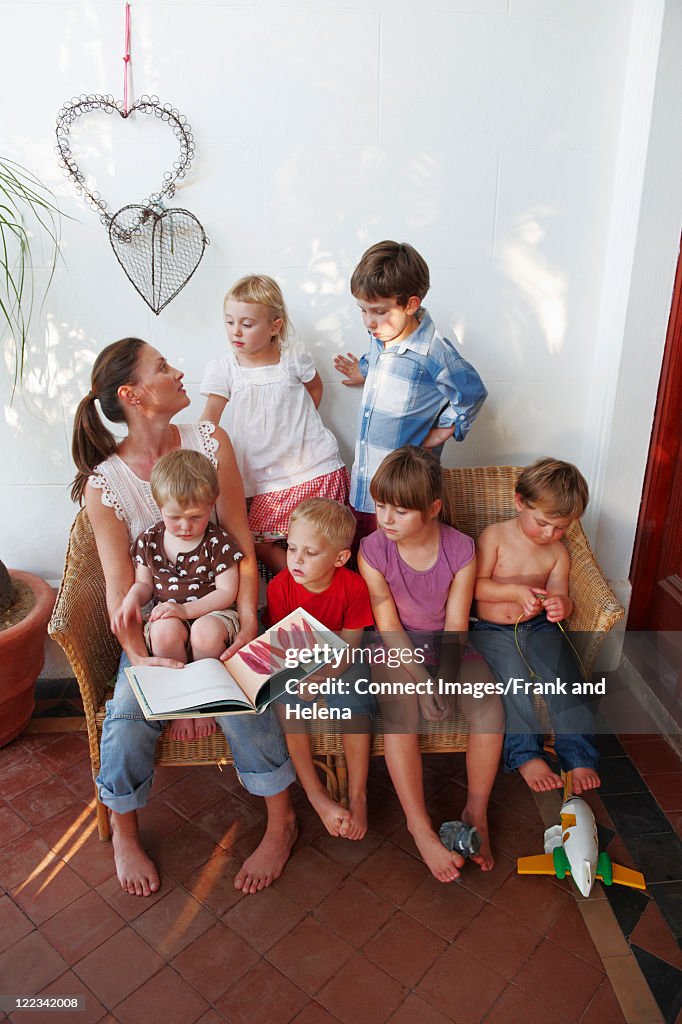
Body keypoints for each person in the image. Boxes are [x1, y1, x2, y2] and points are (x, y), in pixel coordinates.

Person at [71, 337, 297, 899]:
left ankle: (281, 822)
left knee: (248, 696)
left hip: (222, 614)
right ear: (134, 395)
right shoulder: (105, 487)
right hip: (156, 633)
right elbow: (123, 596)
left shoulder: (208, 441)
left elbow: (240, 545)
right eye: (162, 368)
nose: (178, 371)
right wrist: (151, 668)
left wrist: (247, 621)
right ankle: (124, 831)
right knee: (125, 713)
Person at [358, 447, 503, 882]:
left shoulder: (460, 549)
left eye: (400, 511)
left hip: (448, 643)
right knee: (400, 713)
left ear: (433, 508)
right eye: (381, 505)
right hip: (395, 645)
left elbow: (457, 623)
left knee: (489, 707)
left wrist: (445, 678)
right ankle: (419, 827)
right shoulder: (372, 550)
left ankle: (476, 812)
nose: (386, 519)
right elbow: (387, 624)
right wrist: (422, 682)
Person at [334, 240, 487, 548]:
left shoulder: (433, 352)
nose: (369, 322)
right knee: (364, 552)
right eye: (363, 310)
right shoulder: (383, 333)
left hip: (402, 493)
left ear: (411, 304)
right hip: (367, 479)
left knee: (397, 558)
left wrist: (444, 430)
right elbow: (381, 357)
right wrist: (364, 370)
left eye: (378, 312)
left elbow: (472, 391)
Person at [200, 274, 349, 573]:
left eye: (247, 323)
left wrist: (297, 427)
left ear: (274, 326)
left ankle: (326, 589)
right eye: (230, 322)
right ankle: (298, 585)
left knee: (324, 540)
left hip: (315, 466)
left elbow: (315, 389)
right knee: (255, 540)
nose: (235, 332)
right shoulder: (224, 368)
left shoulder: (292, 357)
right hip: (260, 477)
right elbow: (209, 422)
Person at [471, 457, 601, 795]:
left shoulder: (558, 553)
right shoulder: (495, 536)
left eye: (561, 527)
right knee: (512, 678)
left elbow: (560, 596)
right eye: (542, 523)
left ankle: (578, 754)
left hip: (538, 626)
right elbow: (475, 587)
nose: (550, 534)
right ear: (519, 502)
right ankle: (526, 754)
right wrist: (514, 591)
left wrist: (561, 605)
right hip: (491, 630)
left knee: (567, 676)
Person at [113, 449, 242, 742]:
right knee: (163, 632)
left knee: (205, 633)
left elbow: (226, 592)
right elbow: (144, 585)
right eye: (175, 517)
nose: (186, 526)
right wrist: (133, 598)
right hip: (168, 616)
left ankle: (209, 699)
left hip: (213, 614)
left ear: (212, 505)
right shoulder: (149, 541)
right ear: (159, 507)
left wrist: (187, 611)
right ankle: (182, 706)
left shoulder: (217, 542)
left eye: (196, 516)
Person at [266, 499, 375, 840]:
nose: (296, 559)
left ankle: (358, 795)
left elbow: (351, 644)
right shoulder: (279, 587)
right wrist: (304, 677)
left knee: (354, 703)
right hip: (296, 658)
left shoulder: (353, 586)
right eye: (292, 548)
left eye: (310, 553)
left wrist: (324, 676)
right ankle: (316, 795)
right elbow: (283, 646)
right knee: (286, 702)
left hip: (341, 658)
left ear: (340, 558)